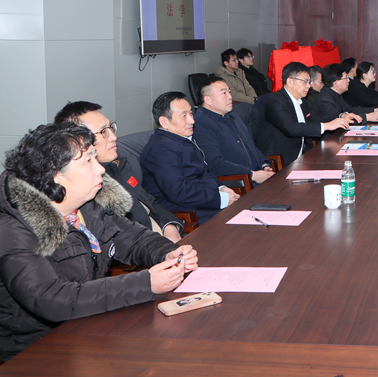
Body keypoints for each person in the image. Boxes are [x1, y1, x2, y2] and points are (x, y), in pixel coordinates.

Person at [0, 122, 198, 361]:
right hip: (35, 351)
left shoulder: (87, 206)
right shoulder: (13, 229)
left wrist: (169, 253)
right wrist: (144, 283)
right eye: (88, 161)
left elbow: (134, 239)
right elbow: (50, 299)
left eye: (95, 158)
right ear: (55, 176)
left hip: (87, 326)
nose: (100, 169)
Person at [53, 101, 183, 243]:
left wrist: (169, 226)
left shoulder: (120, 164)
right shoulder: (88, 188)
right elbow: (122, 242)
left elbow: (150, 202)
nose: (113, 137)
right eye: (103, 132)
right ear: (78, 142)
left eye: (111, 127)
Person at [140, 92, 239, 225]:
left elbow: (204, 172)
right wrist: (221, 199)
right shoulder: (160, 149)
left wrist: (221, 187)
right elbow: (179, 192)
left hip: (203, 203)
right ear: (164, 122)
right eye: (184, 116)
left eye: (191, 114)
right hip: (187, 213)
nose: (192, 120)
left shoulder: (180, 139)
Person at [256, 62, 351, 160]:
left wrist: (341, 117)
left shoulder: (302, 101)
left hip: (303, 154)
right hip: (280, 159)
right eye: (305, 82)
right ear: (290, 82)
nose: (309, 86)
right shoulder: (274, 101)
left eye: (309, 82)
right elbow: (291, 128)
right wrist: (327, 126)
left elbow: (315, 119)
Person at [193, 76, 275, 184]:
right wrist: (252, 175)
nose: (230, 97)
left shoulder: (232, 116)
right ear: (208, 100)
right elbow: (215, 164)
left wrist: (264, 164)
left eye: (229, 92)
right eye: (224, 93)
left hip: (256, 176)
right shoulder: (200, 124)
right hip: (240, 183)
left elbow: (250, 145)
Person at [312, 63, 378, 124]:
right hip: (330, 137)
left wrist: (374, 110)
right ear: (336, 83)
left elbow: (351, 110)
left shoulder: (336, 95)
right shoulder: (325, 99)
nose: (348, 80)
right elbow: (338, 117)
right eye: (346, 78)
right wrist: (367, 117)